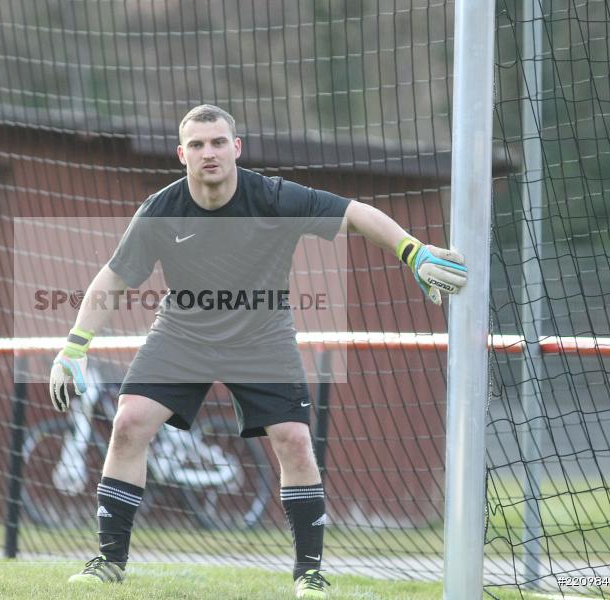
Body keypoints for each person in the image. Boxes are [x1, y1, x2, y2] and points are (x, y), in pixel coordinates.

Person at [48, 105, 467, 598]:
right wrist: (75, 346)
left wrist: (411, 251)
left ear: (236, 148)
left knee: (292, 439)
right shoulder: (161, 209)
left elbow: (354, 213)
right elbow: (114, 275)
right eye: (198, 145)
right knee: (128, 421)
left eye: (218, 142)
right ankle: (109, 561)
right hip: (184, 333)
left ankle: (309, 572)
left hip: (262, 335)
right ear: (182, 154)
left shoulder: (271, 196)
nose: (209, 152)